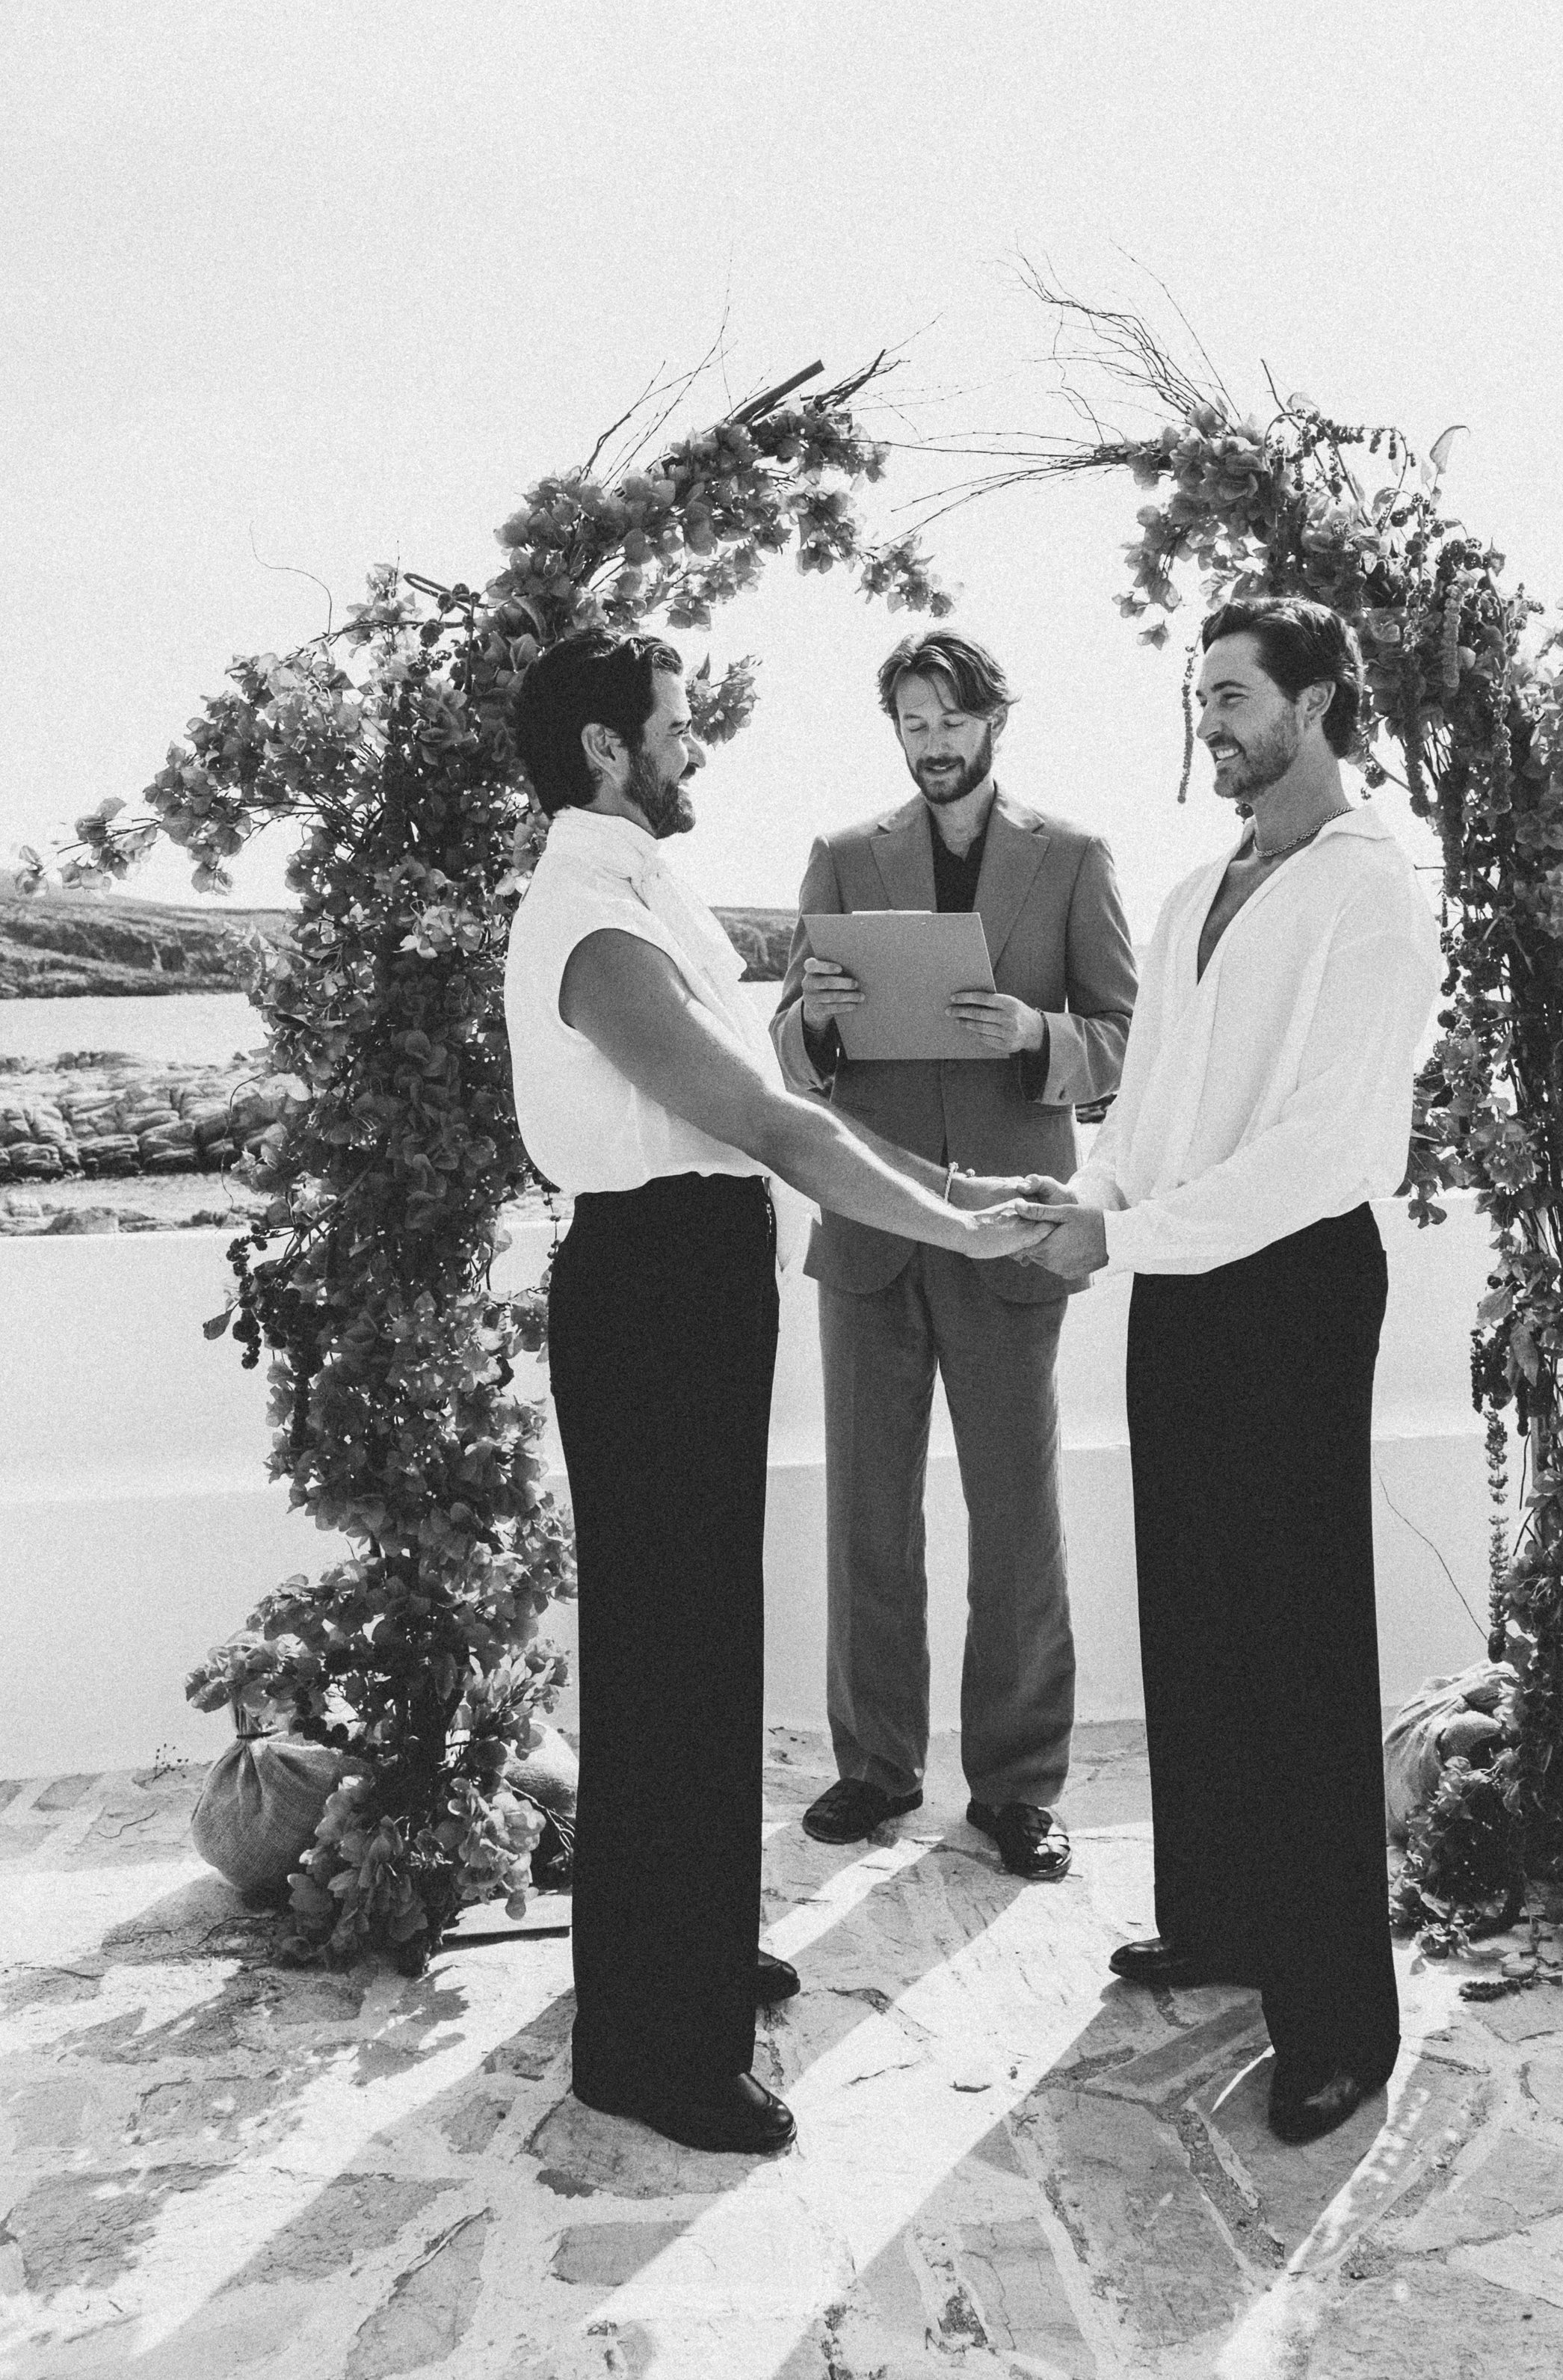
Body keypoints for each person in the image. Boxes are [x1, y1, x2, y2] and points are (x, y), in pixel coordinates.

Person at [502, 627, 1035, 2159]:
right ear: (606, 749)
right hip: (650, 1286)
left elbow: (785, 1106)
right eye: (673, 728)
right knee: (665, 1651)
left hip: (696, 1276)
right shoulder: (587, 925)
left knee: (701, 1636)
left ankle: (680, 1943)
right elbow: (762, 1124)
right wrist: (955, 1225)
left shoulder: (639, 887)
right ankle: (651, 2050)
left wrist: (946, 1177)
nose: (694, 749)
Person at [1010, 594, 1441, 2147]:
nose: (1212, 719)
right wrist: (1093, 1205)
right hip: (1181, 1274)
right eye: (1201, 695)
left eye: (1238, 694)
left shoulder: (1370, 893)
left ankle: (1336, 2024)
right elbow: (1152, 1111)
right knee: (1191, 1603)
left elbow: (1326, 1147)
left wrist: (1123, 1243)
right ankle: (1218, 1916)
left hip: (1290, 1284)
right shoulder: (1197, 884)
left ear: (1319, 703)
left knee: (1300, 1643)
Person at [771, 630, 1135, 1881]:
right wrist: (816, 1019)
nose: (932, 742)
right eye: (911, 723)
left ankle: (1019, 1788)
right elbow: (785, 1049)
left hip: (1012, 1228)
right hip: (870, 1227)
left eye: (949, 720)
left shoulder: (1076, 858)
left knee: (1016, 1520)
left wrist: (1036, 1030)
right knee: (868, 1512)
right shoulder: (840, 855)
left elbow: (1125, 1041)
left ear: (992, 720)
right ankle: (874, 1767)